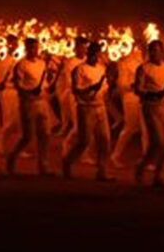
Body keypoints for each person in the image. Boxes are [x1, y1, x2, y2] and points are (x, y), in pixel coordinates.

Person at [63, 41, 113, 181]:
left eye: (98, 54)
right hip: (85, 108)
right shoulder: (79, 69)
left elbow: (104, 87)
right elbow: (76, 89)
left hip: (100, 107)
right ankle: (67, 163)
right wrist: (90, 89)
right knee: (84, 141)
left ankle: (102, 171)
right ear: (89, 54)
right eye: (93, 53)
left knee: (105, 140)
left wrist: (106, 88)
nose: (96, 57)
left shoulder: (101, 68)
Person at [6, 38, 55, 176]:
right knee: (27, 137)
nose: (35, 50)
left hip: (42, 102)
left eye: (36, 47)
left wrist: (48, 87)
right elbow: (18, 84)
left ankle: (43, 166)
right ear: (27, 49)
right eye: (32, 48)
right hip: (28, 103)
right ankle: (11, 159)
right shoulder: (21, 65)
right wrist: (28, 91)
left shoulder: (42, 63)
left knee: (45, 135)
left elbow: (44, 82)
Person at [134, 40, 164, 187]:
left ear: (162, 52)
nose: (155, 53)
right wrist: (151, 94)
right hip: (149, 107)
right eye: (152, 50)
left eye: (157, 50)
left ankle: (158, 176)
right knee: (158, 141)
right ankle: (140, 168)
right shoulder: (143, 68)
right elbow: (138, 89)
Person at [110, 46, 146, 168]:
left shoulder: (144, 62)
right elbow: (122, 84)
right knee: (130, 127)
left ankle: (146, 158)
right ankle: (115, 156)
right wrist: (133, 85)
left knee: (145, 129)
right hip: (130, 98)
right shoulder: (125, 64)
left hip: (143, 98)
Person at [55, 37, 88, 139]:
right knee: (77, 125)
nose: (84, 50)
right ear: (76, 48)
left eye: (85, 47)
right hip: (75, 96)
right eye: (81, 47)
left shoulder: (88, 60)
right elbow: (70, 81)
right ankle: (67, 146)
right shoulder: (70, 63)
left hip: (87, 97)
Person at [0, 35, 20, 156]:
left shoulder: (15, 60)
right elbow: (0, 80)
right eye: (13, 44)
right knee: (9, 120)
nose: (15, 46)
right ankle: (0, 144)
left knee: (17, 121)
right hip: (8, 92)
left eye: (16, 44)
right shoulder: (6, 61)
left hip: (16, 93)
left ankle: (16, 148)